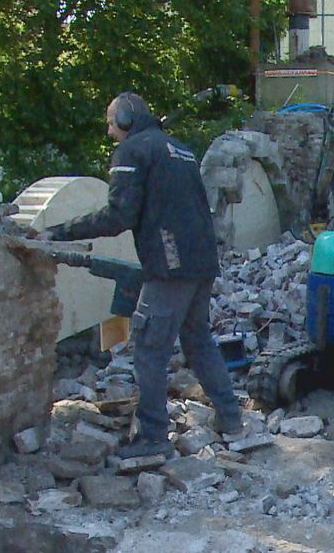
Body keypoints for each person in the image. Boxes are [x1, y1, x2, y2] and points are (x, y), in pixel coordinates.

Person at [42, 92, 243, 459]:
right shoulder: (179, 149)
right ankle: (231, 418)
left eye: (110, 121)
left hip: (170, 267)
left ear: (125, 117)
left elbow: (119, 215)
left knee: (150, 348)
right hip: (201, 264)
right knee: (198, 341)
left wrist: (57, 232)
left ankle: (152, 437)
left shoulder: (133, 151)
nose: (109, 131)